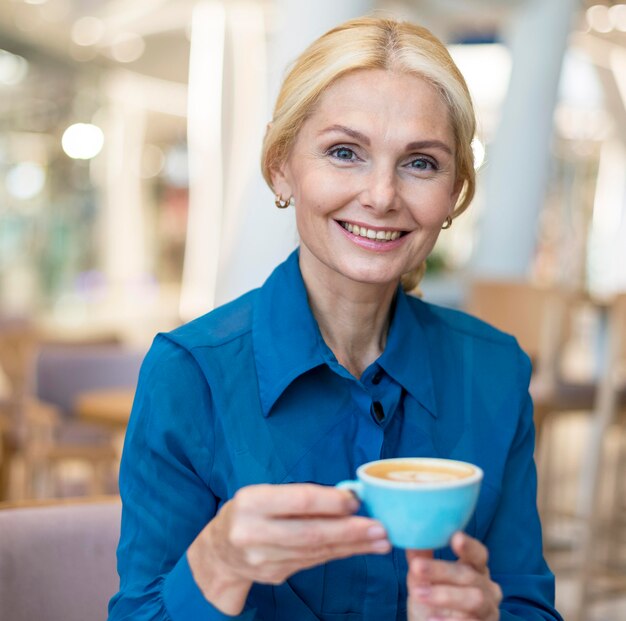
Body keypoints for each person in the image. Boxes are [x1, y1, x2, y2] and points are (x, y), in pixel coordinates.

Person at [108, 16, 563, 621]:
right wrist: (217, 565)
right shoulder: (189, 374)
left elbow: (529, 604)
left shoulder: (494, 370)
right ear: (280, 165)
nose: (380, 195)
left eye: (421, 163)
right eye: (344, 152)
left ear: (454, 193)